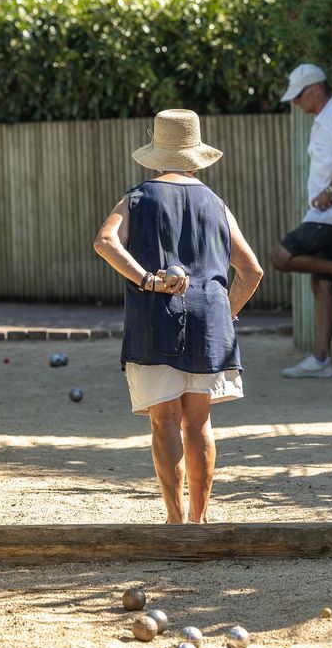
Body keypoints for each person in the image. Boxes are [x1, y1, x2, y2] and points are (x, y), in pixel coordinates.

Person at [94, 108, 263, 525]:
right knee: (198, 422)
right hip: (210, 320)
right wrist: (228, 312)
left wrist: (148, 280)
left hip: (155, 318)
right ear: (195, 155)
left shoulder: (137, 197)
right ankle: (200, 520)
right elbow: (252, 270)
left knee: (164, 421)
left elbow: (104, 242)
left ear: (156, 152)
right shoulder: (216, 203)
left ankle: (174, 520)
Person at [272, 63, 332, 378]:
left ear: (314, 89)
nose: (295, 103)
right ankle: (322, 360)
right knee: (320, 284)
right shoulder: (321, 119)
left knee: (281, 257)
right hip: (329, 214)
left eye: (298, 97)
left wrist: (330, 190)